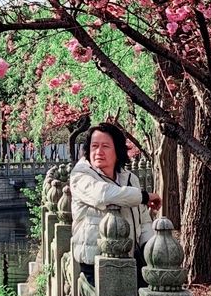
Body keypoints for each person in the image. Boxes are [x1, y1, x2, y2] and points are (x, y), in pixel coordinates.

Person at [69, 123, 161, 286]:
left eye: (105, 146)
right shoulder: (80, 175)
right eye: (94, 146)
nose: (98, 152)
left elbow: (144, 220)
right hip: (96, 262)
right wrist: (144, 196)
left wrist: (150, 249)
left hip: (130, 257)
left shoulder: (130, 178)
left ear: (118, 150)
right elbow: (103, 195)